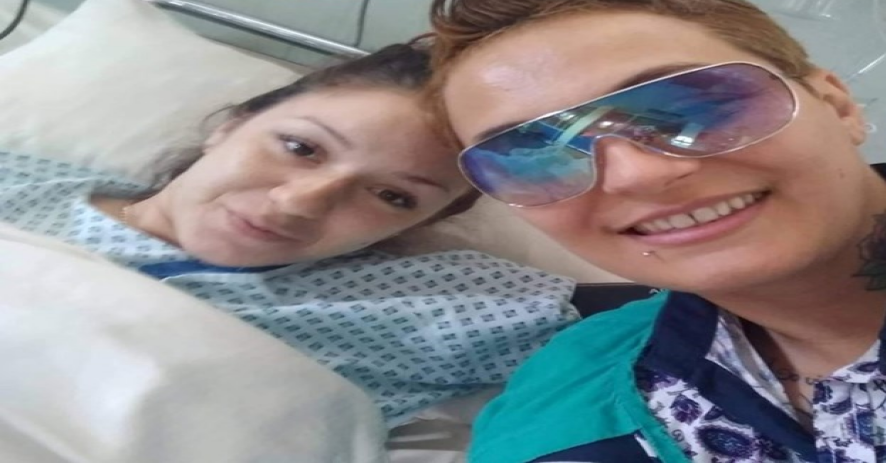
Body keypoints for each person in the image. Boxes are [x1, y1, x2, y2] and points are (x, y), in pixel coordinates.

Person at [426, 0, 886, 463]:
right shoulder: (562, 391)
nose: (635, 175)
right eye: (534, 154)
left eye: (691, 107)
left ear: (838, 107)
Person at [0, 42, 577, 425]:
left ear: (422, 223)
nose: (298, 203)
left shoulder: (429, 304)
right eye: (301, 147)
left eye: (393, 197)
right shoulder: (19, 188)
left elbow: (626, 330)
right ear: (232, 124)